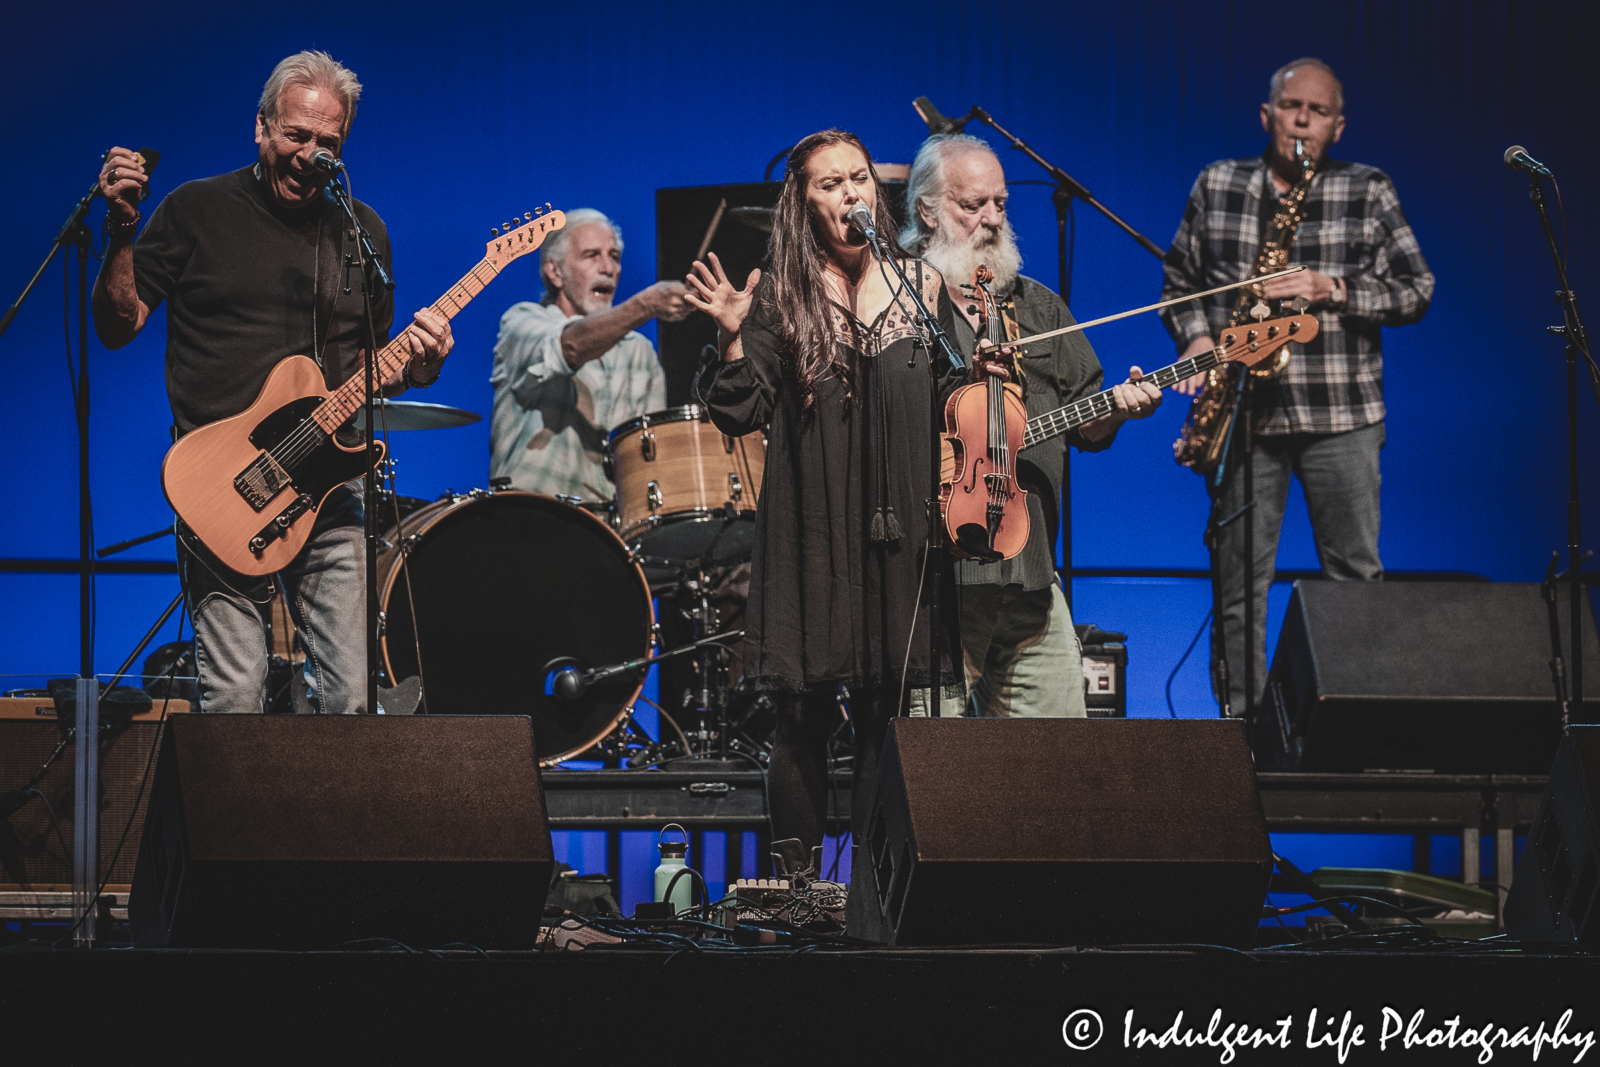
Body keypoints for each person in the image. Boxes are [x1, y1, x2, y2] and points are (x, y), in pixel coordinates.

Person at [92, 50, 454, 715]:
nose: (309, 154)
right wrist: (121, 231)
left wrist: (423, 359)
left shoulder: (361, 232)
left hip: (330, 486)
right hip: (225, 488)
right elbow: (119, 325)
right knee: (235, 701)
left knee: (348, 698)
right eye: (296, 135)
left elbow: (372, 369)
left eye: (327, 143)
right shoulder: (197, 210)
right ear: (261, 128)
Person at [688, 129, 981, 878]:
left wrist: (983, 370)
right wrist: (729, 337)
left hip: (898, 528)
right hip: (810, 527)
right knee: (804, 711)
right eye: (829, 183)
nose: (849, 193)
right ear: (802, 200)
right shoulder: (781, 296)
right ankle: (794, 886)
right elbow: (740, 408)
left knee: (889, 711)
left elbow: (956, 398)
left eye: (857, 179)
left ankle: (883, 889)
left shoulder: (921, 284)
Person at [1160, 57, 1434, 717]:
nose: (1303, 120)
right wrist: (1197, 338)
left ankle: (1360, 725)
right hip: (1246, 417)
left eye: (1317, 111)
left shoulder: (1368, 189)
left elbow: (1416, 289)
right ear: (1267, 116)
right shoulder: (1219, 183)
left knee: (1355, 581)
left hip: (1341, 414)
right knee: (1237, 589)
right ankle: (1242, 733)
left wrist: (1331, 288)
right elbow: (1180, 285)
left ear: (1338, 126)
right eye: (1291, 107)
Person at [900, 134, 1163, 718]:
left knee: (1055, 760)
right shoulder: (896, 306)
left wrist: (1118, 409)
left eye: (1001, 203)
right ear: (928, 210)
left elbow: (1086, 424)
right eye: (973, 205)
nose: (992, 219)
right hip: (938, 577)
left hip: (1031, 574)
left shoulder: (1038, 307)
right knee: (930, 765)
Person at [490, 209, 691, 501]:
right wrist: (647, 304)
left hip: (608, 532)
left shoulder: (639, 351)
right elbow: (570, 346)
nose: (608, 267)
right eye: (591, 255)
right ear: (555, 271)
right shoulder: (521, 322)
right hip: (529, 518)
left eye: (614, 256)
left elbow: (650, 455)